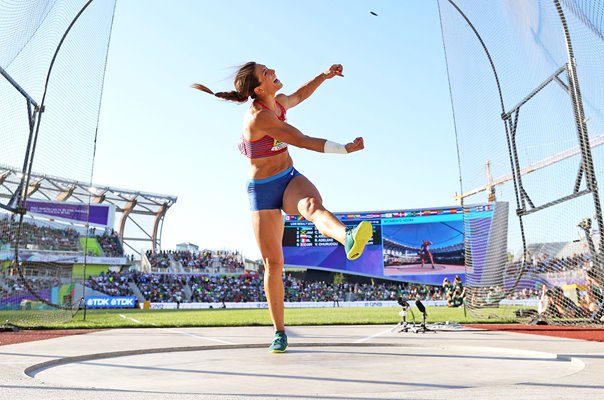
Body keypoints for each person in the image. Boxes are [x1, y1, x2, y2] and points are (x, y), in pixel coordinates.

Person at [192, 62, 373, 353]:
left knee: (313, 205)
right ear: (258, 89)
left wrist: (324, 76)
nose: (273, 70)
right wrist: (344, 148)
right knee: (273, 264)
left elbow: (300, 95)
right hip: (262, 191)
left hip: (288, 178)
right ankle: (279, 332)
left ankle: (347, 237)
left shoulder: (277, 103)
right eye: (266, 72)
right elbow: (299, 140)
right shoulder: (259, 117)